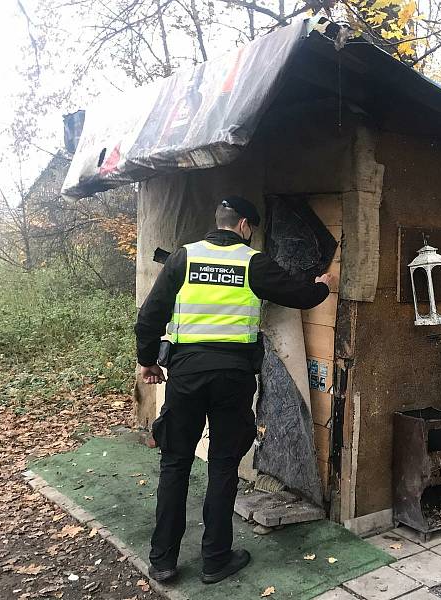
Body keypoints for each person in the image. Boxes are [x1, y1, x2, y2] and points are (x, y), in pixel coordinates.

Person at [135, 196, 333, 584]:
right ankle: (215, 560)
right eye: (251, 230)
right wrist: (323, 286)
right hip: (233, 378)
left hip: (187, 375)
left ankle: (163, 561)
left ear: (219, 221)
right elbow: (300, 295)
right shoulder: (252, 262)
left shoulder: (183, 258)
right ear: (244, 225)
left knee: (175, 464)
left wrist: (148, 361)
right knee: (224, 465)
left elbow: (150, 315)